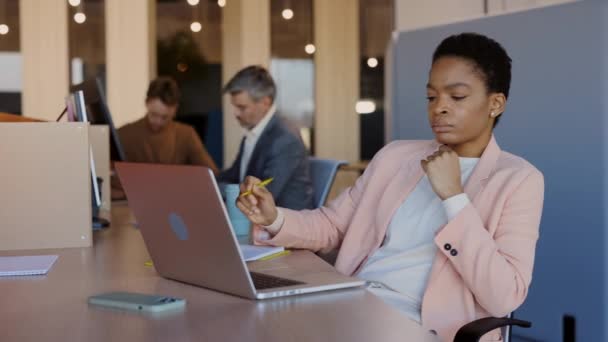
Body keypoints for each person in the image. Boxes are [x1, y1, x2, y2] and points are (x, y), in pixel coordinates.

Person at [236, 33, 544, 341]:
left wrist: (454, 198)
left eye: (457, 97)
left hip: (420, 324)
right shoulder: (395, 156)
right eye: (432, 97)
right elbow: (332, 225)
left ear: (495, 104)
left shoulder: (518, 180)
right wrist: (273, 217)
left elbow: (505, 296)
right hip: (354, 304)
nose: (439, 108)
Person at [218, 66, 313, 210]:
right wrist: (206, 184)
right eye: (234, 106)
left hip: (285, 224)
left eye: (242, 107)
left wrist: (218, 190)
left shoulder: (285, 139)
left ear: (265, 102)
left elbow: (262, 194)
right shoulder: (252, 134)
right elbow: (234, 176)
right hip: (257, 220)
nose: (235, 113)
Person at [112, 77, 218, 199]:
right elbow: (108, 180)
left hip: (176, 205)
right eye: (154, 115)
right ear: (147, 103)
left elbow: (211, 175)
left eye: (165, 117)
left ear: (175, 110)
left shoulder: (187, 134)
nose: (158, 121)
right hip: (133, 207)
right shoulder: (123, 134)